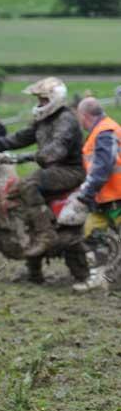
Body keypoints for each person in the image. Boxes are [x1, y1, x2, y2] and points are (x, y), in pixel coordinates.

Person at [0, 77, 85, 257]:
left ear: (55, 99)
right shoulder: (44, 120)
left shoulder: (66, 120)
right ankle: (32, 260)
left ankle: (45, 235)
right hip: (52, 169)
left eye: (43, 99)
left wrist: (23, 157)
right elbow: (19, 138)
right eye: (39, 99)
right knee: (15, 194)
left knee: (28, 184)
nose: (40, 103)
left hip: (70, 170)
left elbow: (56, 150)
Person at [69, 97, 121, 292]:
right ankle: (99, 278)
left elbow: (104, 165)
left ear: (84, 115)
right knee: (91, 234)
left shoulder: (105, 132)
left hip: (116, 197)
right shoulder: (99, 131)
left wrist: (86, 192)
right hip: (104, 199)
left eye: (78, 116)